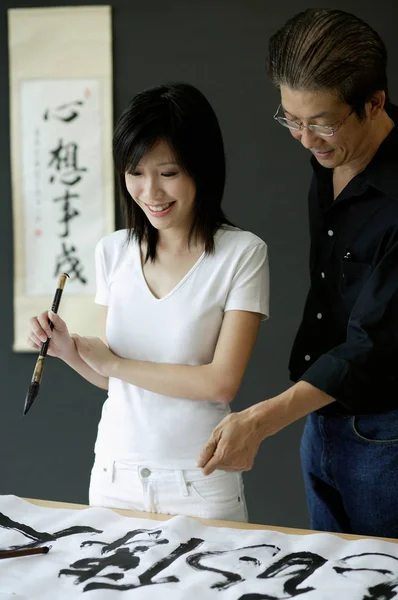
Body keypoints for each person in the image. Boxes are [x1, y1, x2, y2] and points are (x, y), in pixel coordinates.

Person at [27, 82, 269, 522]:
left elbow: (220, 382)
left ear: (202, 168)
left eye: (168, 172)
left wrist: (113, 364)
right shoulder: (113, 251)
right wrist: (68, 351)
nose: (150, 191)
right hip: (113, 474)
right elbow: (114, 382)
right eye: (135, 172)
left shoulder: (242, 253)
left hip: (197, 479)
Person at [198, 9, 398, 538]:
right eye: (291, 118)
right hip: (322, 415)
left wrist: (261, 421)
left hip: (389, 432)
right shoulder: (331, 152)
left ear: (374, 102)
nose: (305, 140)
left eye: (322, 122)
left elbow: (374, 345)